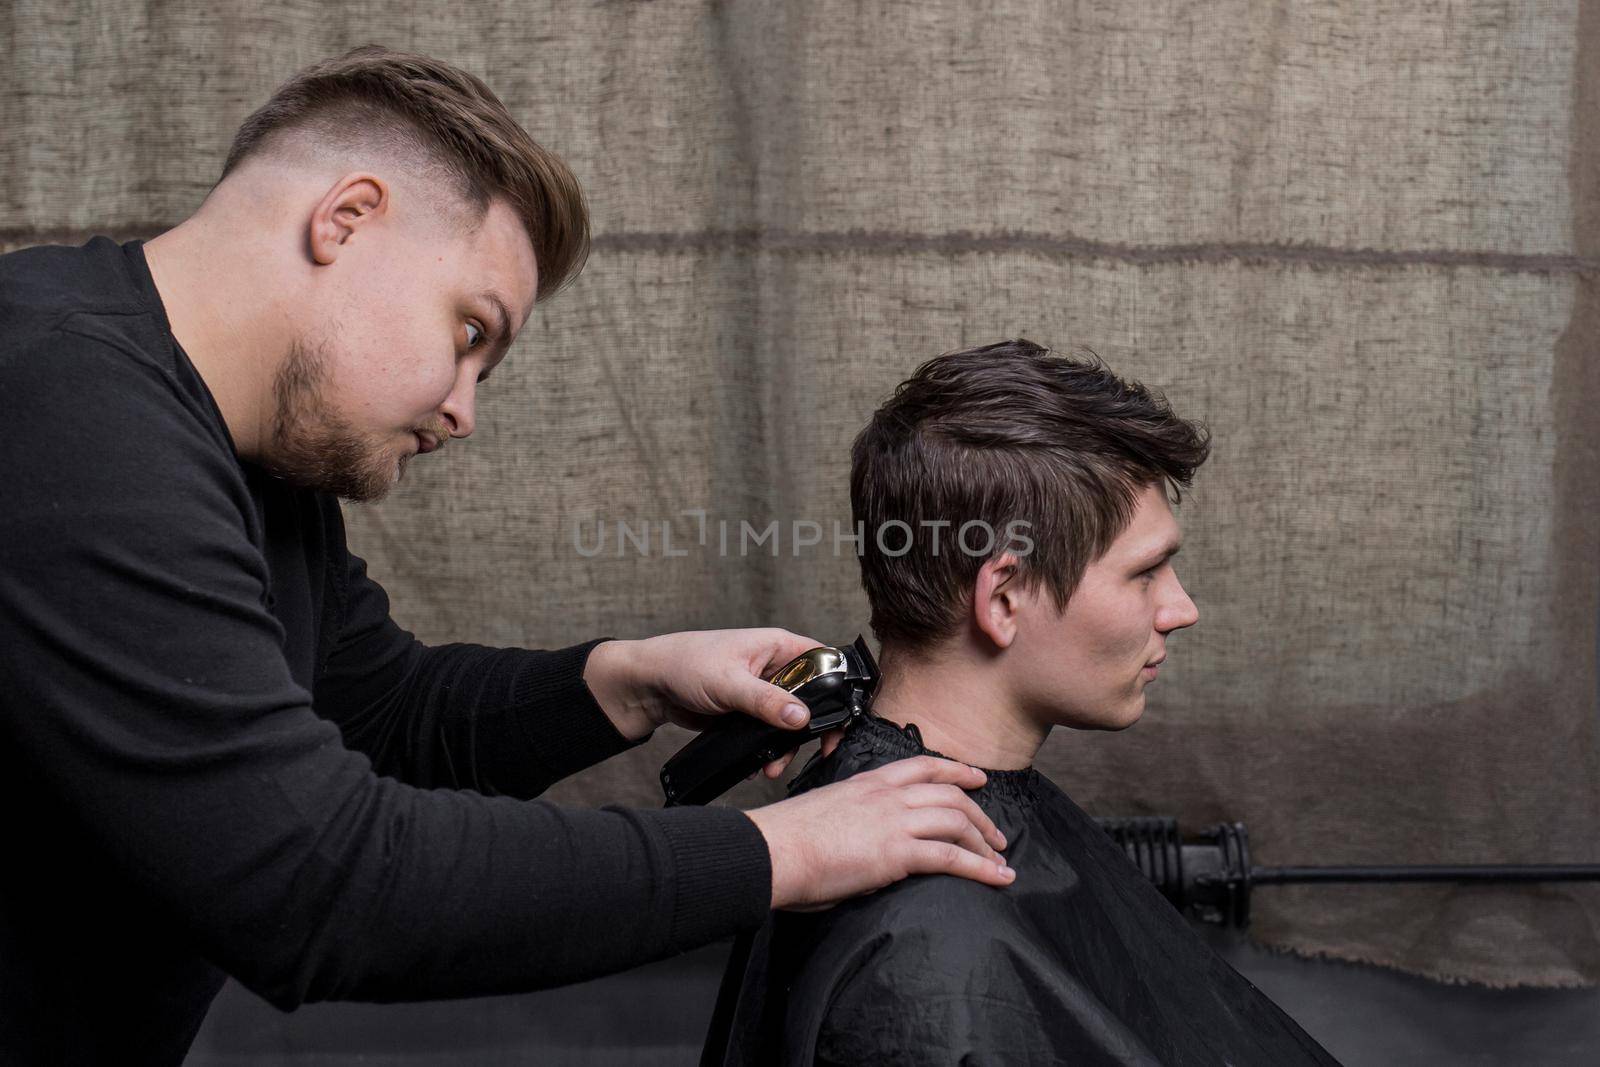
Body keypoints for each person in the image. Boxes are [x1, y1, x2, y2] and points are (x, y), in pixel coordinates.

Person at [0, 47, 1015, 1065]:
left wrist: (628, 680)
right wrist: (784, 851)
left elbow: (379, 713)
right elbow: (318, 878)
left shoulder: (252, 455)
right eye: (469, 331)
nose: (462, 410)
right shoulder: (60, 401)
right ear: (345, 218)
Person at [706, 340, 1339, 1066]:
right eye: (1146, 573)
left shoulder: (866, 817)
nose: (1181, 608)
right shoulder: (929, 954)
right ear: (1004, 598)